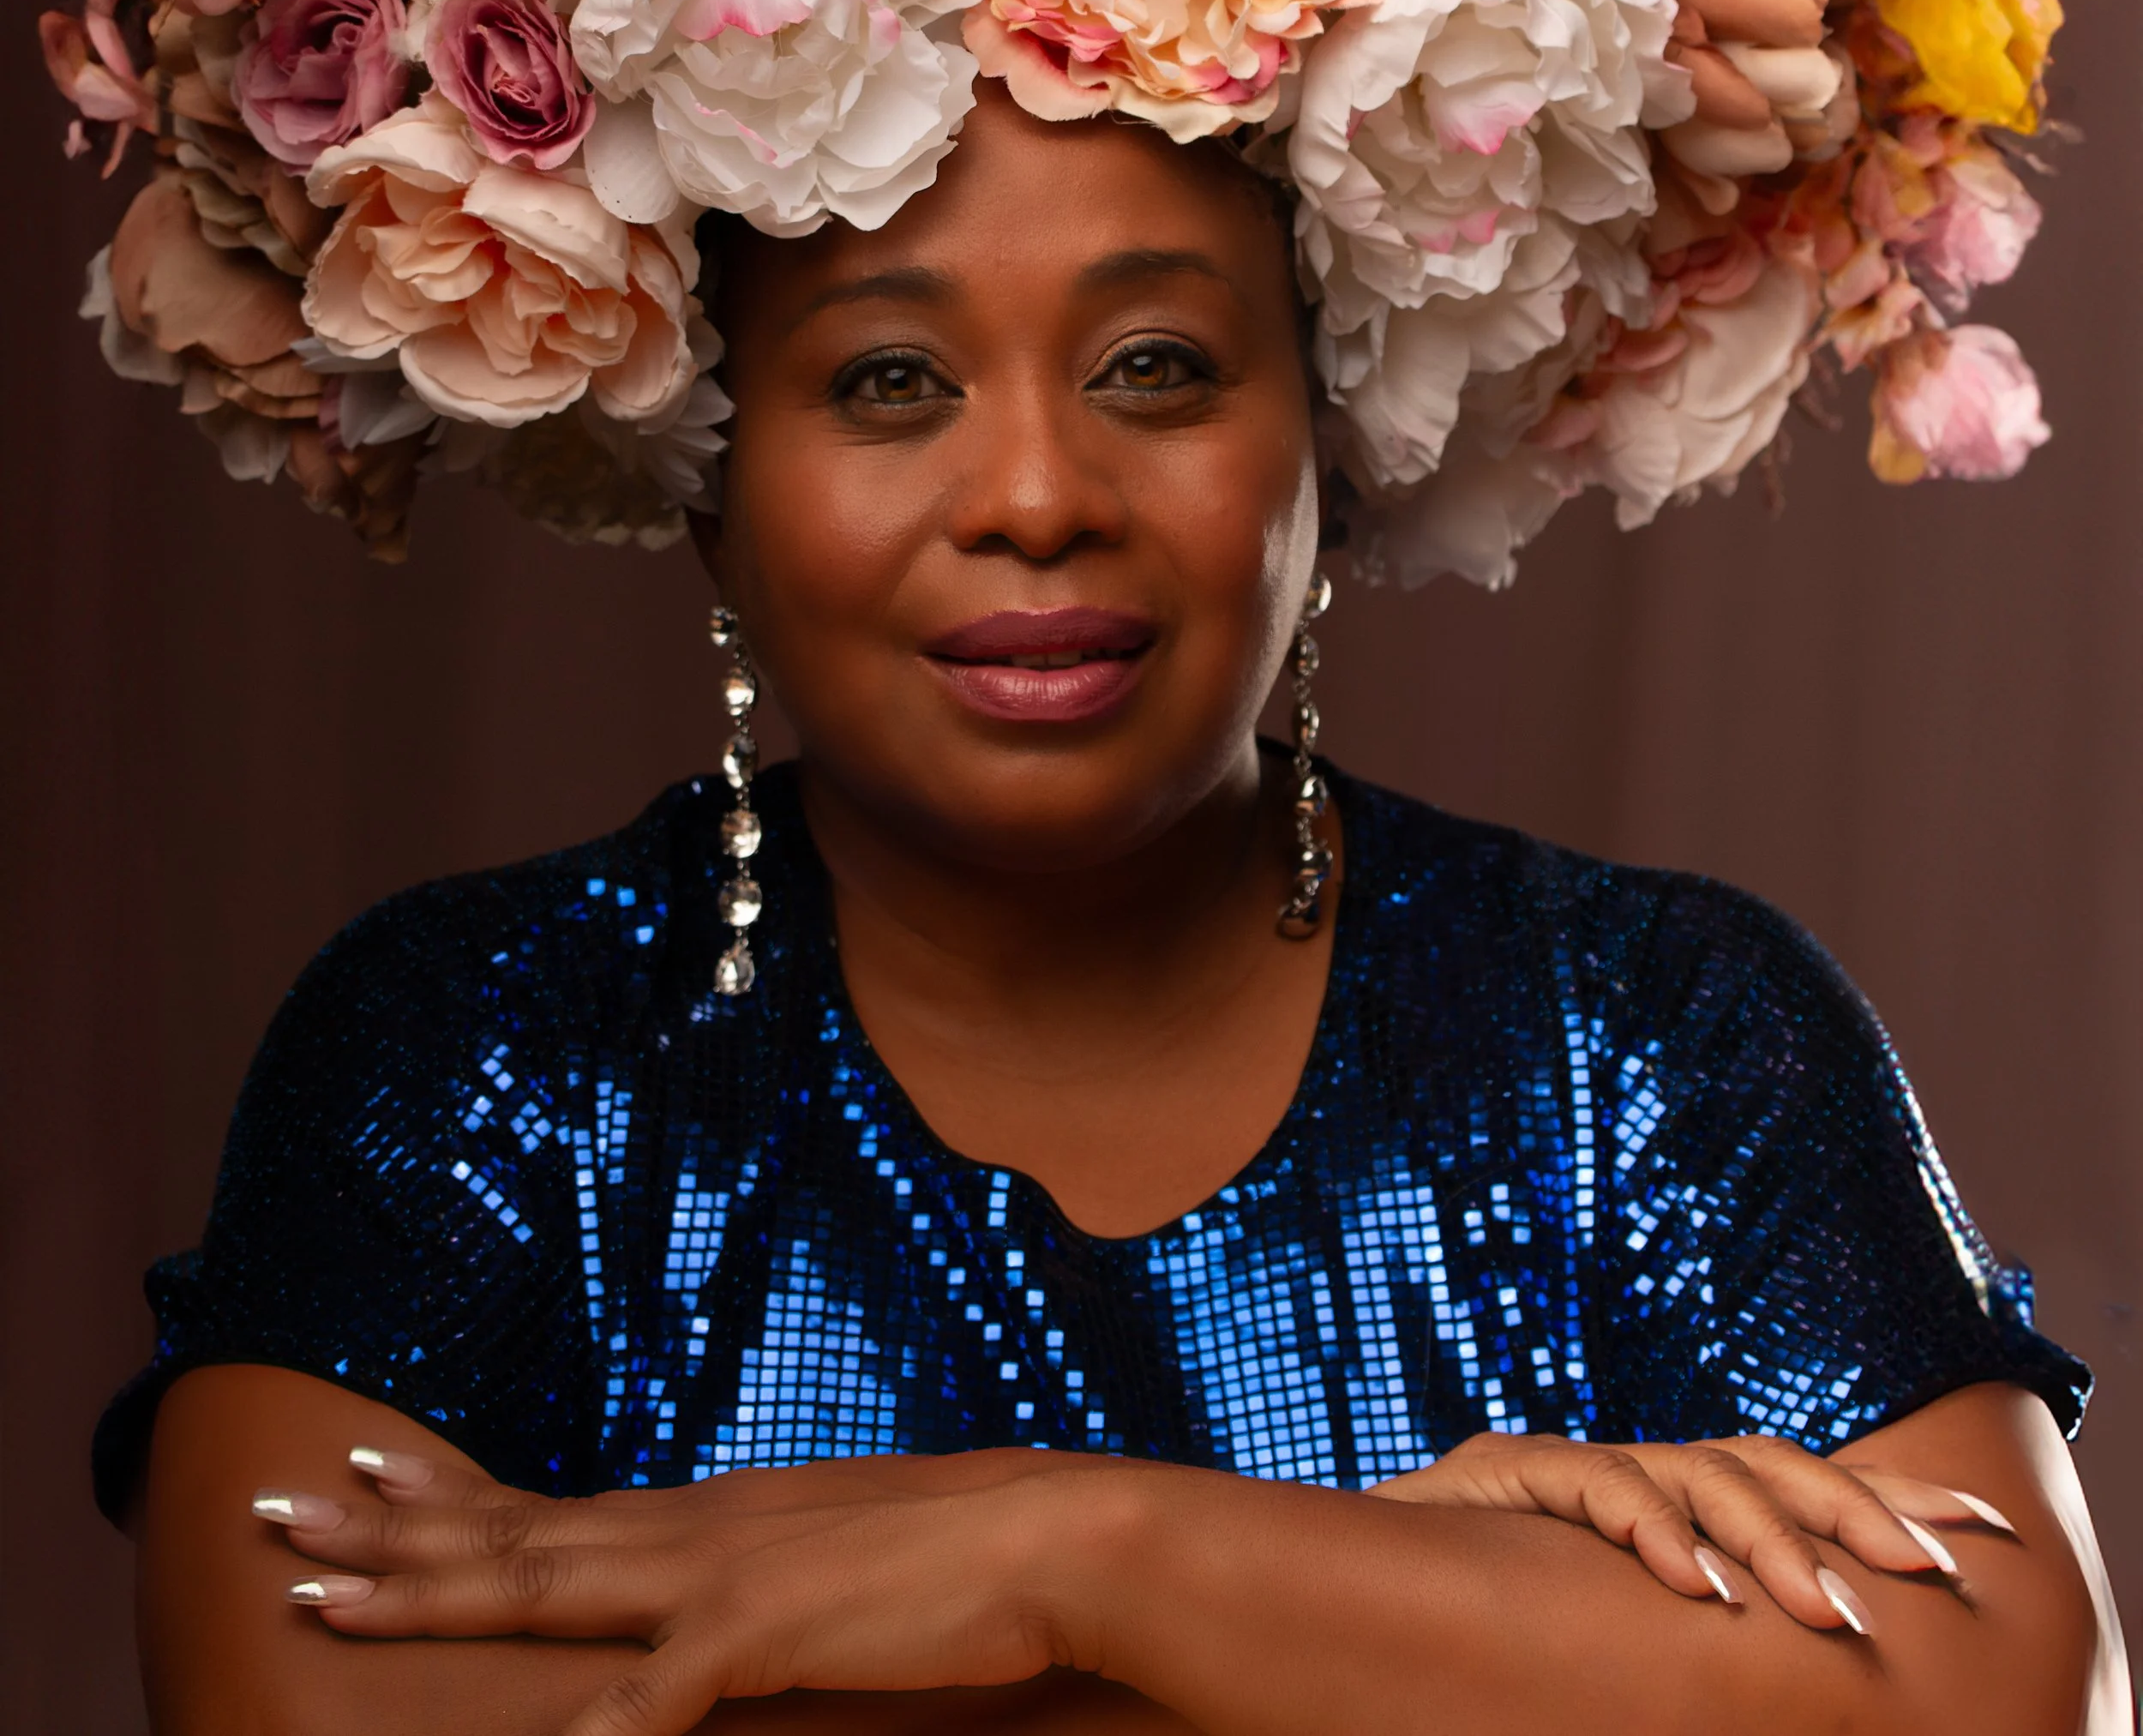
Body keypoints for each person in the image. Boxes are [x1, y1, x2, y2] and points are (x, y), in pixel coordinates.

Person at [106, 86, 2126, 1736]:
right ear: (710, 492)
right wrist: (1429, 1633)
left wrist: (1071, 1560)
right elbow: (291, 1697)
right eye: (889, 379)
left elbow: (2019, 1696)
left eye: (1153, 364)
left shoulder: (1662, 1025)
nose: (1038, 494)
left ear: (1318, 444)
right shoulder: (473, 1039)